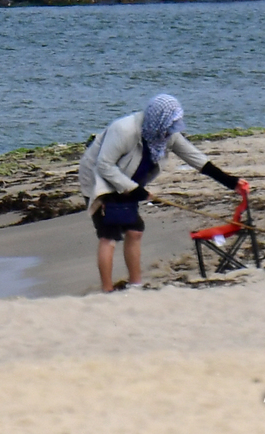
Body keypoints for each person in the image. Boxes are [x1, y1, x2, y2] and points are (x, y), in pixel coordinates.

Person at [78, 95, 247, 292]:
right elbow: (104, 165)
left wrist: (231, 182)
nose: (171, 132)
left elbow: (195, 158)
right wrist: (135, 191)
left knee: (135, 231)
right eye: (170, 126)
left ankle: (135, 286)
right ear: (158, 120)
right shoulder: (124, 130)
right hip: (99, 180)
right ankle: (107, 290)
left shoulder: (166, 134)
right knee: (110, 235)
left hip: (128, 180)